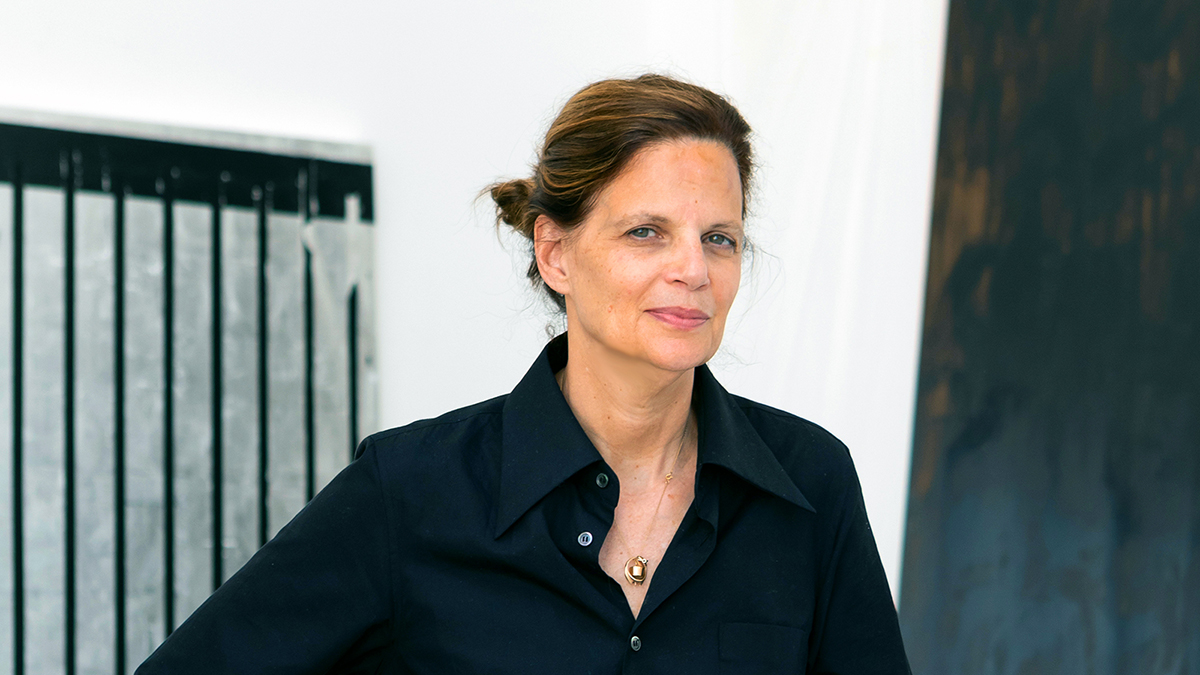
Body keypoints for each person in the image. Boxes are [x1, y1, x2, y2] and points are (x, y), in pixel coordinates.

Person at [137, 74, 910, 673]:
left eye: (719, 238)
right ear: (556, 253)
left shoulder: (812, 486)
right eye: (647, 232)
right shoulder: (409, 491)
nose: (692, 270)